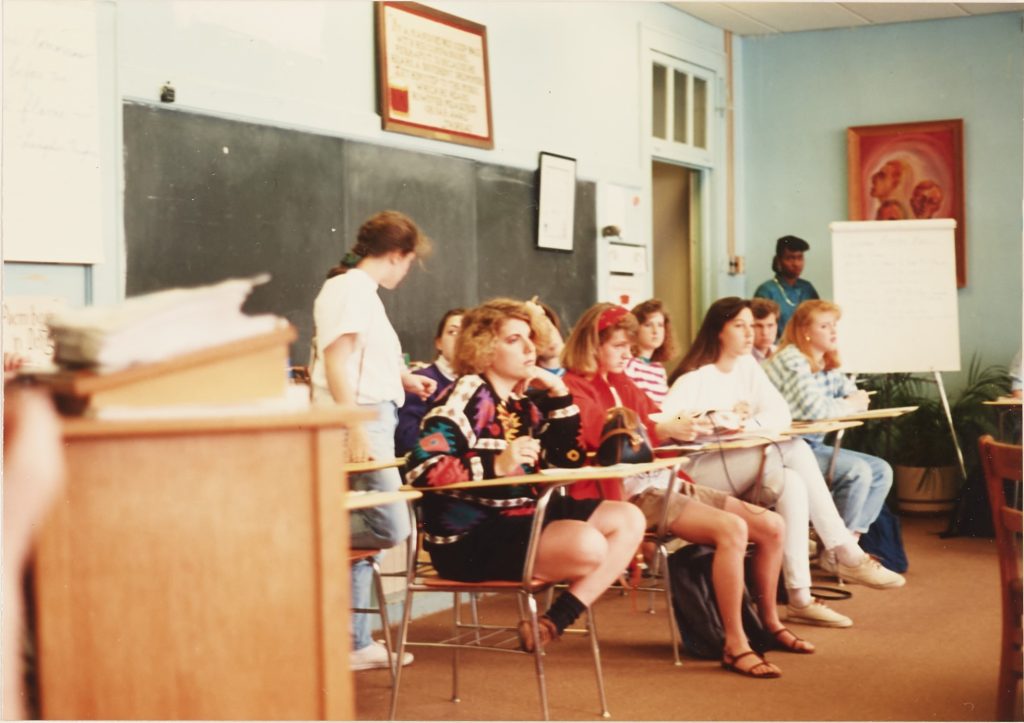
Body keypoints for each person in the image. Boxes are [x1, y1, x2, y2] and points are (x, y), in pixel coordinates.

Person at [562, 302, 811, 678]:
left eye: (630, 346)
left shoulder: (621, 382)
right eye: (619, 346)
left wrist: (693, 420)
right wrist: (663, 430)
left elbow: (657, 414)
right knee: (733, 530)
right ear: (592, 345)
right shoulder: (574, 387)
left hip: (665, 483)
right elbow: (603, 435)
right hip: (627, 497)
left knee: (773, 527)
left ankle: (769, 625)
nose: (628, 354)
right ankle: (735, 642)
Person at [405, 298, 645, 652]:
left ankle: (552, 621)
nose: (531, 347)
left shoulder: (520, 402)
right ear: (484, 348)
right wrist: (494, 465)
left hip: (518, 521)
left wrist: (560, 393)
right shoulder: (466, 395)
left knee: (628, 518)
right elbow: (421, 466)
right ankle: (547, 608)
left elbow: (566, 461)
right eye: (514, 339)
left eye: (530, 337)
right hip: (469, 540)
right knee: (588, 545)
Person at [664, 298, 905, 629]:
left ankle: (800, 597)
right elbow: (666, 418)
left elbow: (780, 415)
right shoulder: (696, 377)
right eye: (739, 326)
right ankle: (843, 549)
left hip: (740, 464)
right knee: (791, 447)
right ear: (718, 332)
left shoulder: (748, 368)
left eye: (752, 326)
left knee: (792, 481)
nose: (749, 334)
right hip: (699, 474)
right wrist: (703, 420)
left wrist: (741, 424)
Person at [310, 209, 435, 672]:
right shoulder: (350, 290)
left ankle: (355, 643)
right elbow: (337, 362)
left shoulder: (360, 291)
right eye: (409, 263)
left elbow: (362, 356)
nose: (407, 272)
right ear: (399, 256)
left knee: (364, 541)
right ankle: (307, 534)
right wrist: (357, 426)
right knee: (390, 525)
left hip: (372, 413)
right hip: (357, 418)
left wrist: (405, 378)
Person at [762, 300, 894, 551]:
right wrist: (848, 403)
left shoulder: (825, 361)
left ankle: (847, 544)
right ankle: (838, 550)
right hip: (783, 450)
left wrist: (849, 402)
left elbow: (857, 397)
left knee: (881, 471)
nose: (833, 331)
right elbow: (815, 410)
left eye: (834, 325)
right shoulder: (792, 359)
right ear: (805, 331)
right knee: (858, 471)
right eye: (825, 326)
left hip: (811, 446)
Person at [394, 307, 465, 456]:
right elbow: (408, 440)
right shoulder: (420, 381)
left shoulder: (481, 384)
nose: (460, 338)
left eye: (468, 332)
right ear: (438, 343)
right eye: (453, 332)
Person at [753, 236, 820, 337]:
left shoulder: (807, 288)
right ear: (779, 261)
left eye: (800, 258)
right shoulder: (766, 290)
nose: (796, 264)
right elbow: (761, 330)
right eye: (790, 258)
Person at [624, 299, 677, 407]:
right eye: (648, 325)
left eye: (660, 325)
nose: (655, 331)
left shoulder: (659, 369)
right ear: (635, 329)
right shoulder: (629, 364)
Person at [532, 297, 566, 376]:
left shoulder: (583, 370)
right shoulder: (530, 382)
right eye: (541, 335)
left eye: (550, 330)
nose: (550, 339)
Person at [750, 298, 780, 363]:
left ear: (776, 326)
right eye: (758, 326)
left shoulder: (781, 354)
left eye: (770, 325)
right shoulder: (742, 358)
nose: (765, 333)